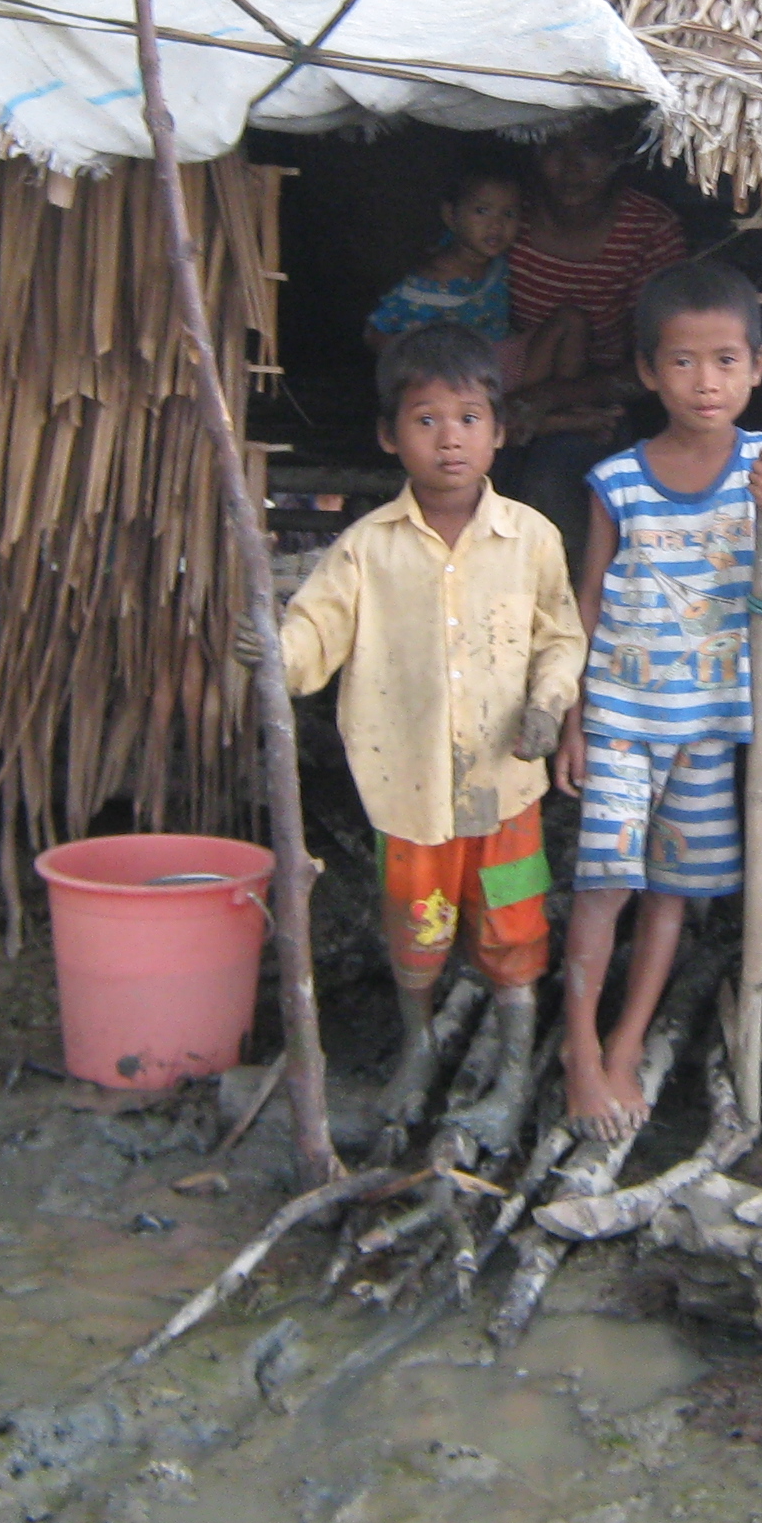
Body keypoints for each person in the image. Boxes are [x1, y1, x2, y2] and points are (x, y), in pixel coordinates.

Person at [264, 323, 585, 1151]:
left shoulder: (532, 539)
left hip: (506, 784)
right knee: (416, 926)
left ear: (500, 432)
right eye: (427, 420)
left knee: (515, 930)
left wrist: (548, 707)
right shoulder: (366, 550)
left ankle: (513, 1071)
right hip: (407, 788)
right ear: (388, 435)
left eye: (470, 418)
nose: (450, 439)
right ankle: (419, 1045)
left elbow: (562, 637)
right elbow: (314, 636)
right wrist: (270, 655)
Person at [554, 259, 762, 1141]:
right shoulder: (616, 479)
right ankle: (578, 1053)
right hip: (623, 714)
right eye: (686, 363)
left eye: (728, 361)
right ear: (649, 371)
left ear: (758, 368)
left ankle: (625, 1049)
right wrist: (575, 718)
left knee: (669, 892)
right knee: (605, 886)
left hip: (710, 724)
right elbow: (587, 601)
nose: (708, 382)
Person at [502, 122, 690, 539]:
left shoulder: (649, 230)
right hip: (502, 393)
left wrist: (549, 397)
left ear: (619, 155)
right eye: (553, 145)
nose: (570, 166)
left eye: (589, 147)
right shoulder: (507, 214)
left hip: (594, 404)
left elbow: (660, 363)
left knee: (552, 486)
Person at [363, 157, 586, 399]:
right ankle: (546, 419)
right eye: (482, 211)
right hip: (470, 381)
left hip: (508, 357)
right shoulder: (426, 287)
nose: (496, 225)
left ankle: (565, 402)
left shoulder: (495, 259)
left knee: (570, 320)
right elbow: (375, 334)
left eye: (509, 213)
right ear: (450, 216)